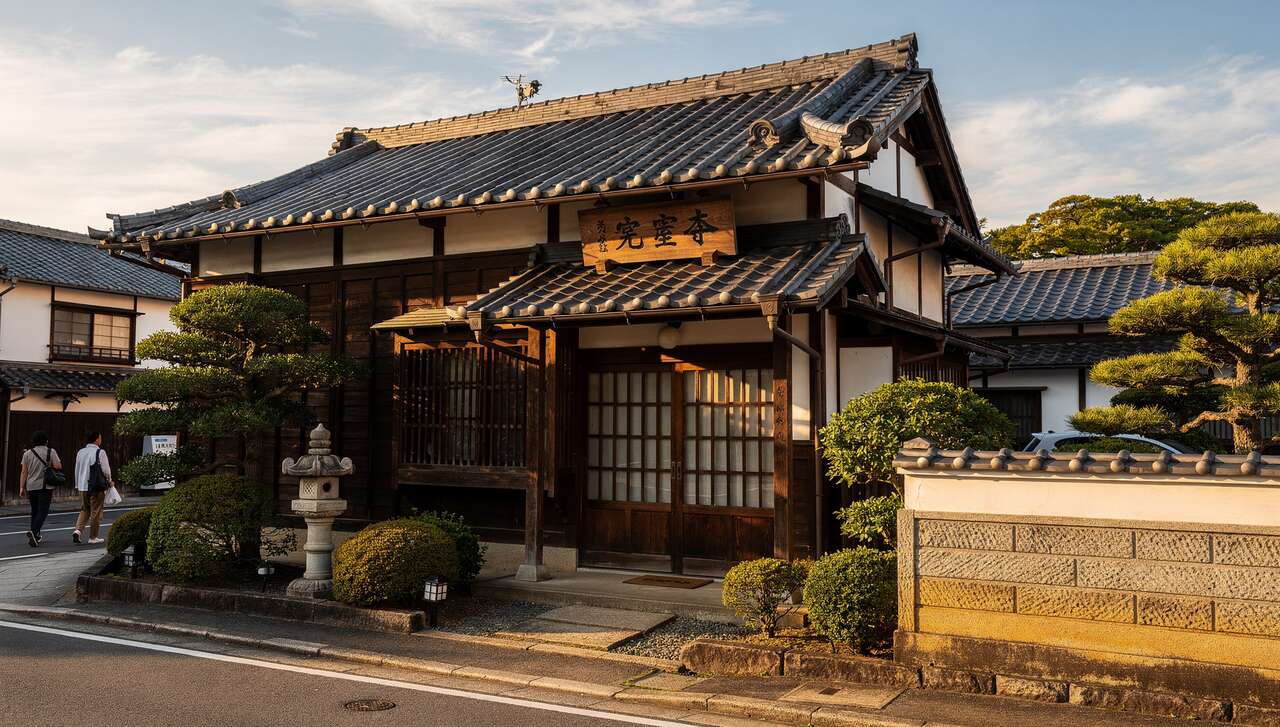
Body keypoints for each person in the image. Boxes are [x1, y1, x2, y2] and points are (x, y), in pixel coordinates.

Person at [18, 431, 62, 547]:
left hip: (31, 486)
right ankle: (33, 532)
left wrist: (21, 487)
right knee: (43, 511)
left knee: (35, 511)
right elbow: (58, 466)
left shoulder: (27, 453)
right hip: (45, 486)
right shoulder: (50, 451)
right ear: (46, 441)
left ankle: (35, 536)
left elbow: (23, 472)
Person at [73, 431, 113, 545]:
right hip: (96, 486)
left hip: (82, 486)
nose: (101, 440)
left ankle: (78, 530)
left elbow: (77, 469)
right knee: (96, 511)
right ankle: (93, 537)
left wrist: (77, 484)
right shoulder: (100, 452)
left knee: (85, 509)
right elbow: (106, 470)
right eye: (100, 438)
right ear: (96, 439)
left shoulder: (80, 452)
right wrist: (110, 481)